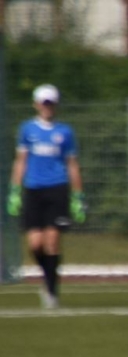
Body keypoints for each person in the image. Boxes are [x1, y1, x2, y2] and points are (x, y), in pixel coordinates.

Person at [6, 84, 86, 309]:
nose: (47, 107)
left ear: (56, 105)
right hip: (33, 190)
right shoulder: (27, 130)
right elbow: (20, 161)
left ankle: (51, 290)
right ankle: (48, 277)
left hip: (57, 189)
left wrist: (78, 195)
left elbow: (72, 164)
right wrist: (14, 190)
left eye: (50, 103)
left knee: (52, 242)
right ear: (36, 104)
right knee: (35, 244)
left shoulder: (65, 132)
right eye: (43, 103)